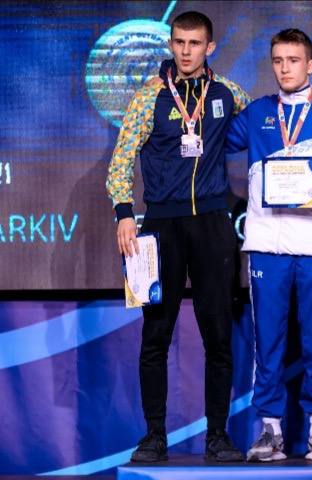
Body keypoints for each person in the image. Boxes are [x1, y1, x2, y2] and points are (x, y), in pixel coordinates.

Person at [106, 10, 250, 463]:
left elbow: (267, 133)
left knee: (218, 335)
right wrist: (124, 214)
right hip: (160, 228)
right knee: (156, 334)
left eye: (195, 43)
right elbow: (121, 160)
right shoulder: (149, 95)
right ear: (171, 44)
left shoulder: (229, 93)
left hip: (212, 225)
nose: (186, 52)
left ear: (210, 47)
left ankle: (217, 437)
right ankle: (154, 436)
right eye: (179, 42)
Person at [227, 28, 312, 462]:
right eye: (278, 61)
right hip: (267, 244)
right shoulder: (258, 112)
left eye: (294, 60)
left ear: (310, 65)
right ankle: (271, 431)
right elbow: (215, 135)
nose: (285, 68)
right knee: (269, 341)